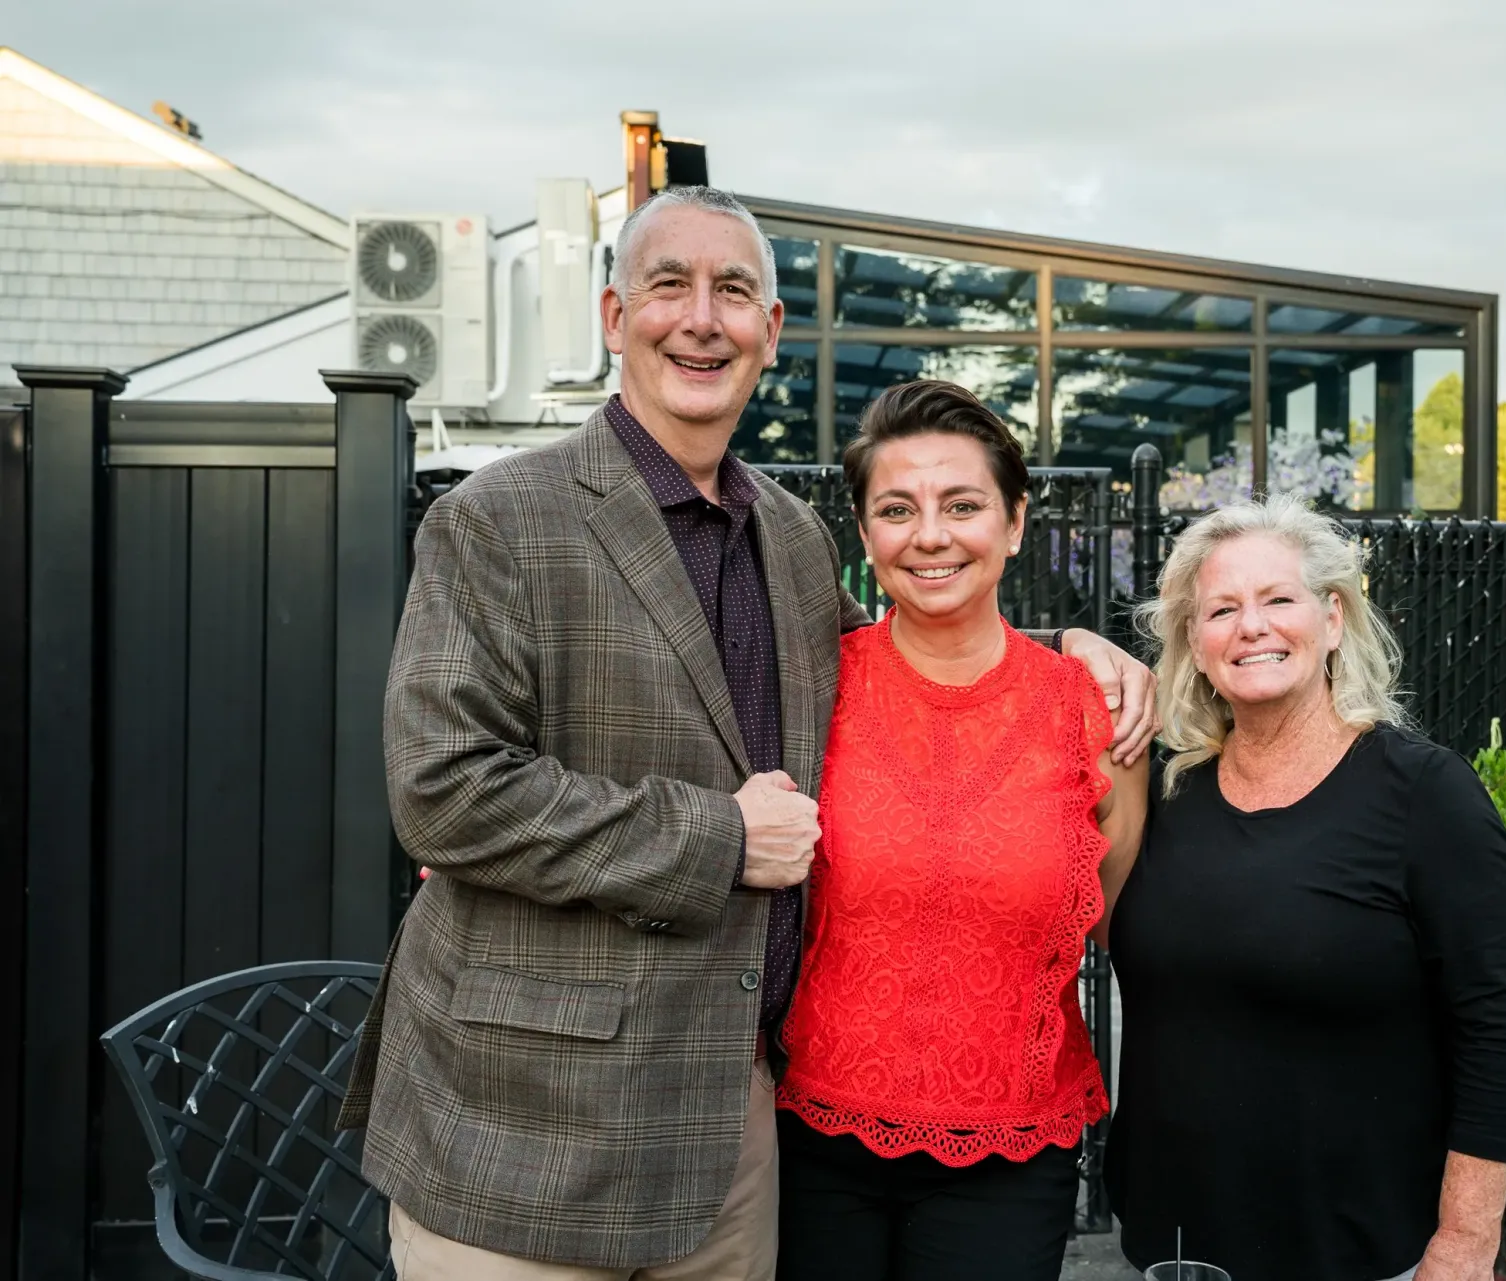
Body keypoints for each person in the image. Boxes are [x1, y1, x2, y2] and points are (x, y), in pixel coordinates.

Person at [336, 186, 1154, 1281]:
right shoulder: (498, 519)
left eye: (734, 291)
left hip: (731, 1132)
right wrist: (719, 837)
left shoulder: (792, 536)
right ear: (614, 313)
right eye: (670, 285)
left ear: (772, 331)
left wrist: (1069, 648)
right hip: (526, 1136)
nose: (702, 317)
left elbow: (924, 655)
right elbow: (442, 790)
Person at [1101, 494, 1506, 1281]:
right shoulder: (1167, 797)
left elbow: (1498, 1029)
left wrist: (1467, 1242)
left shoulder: (1424, 795)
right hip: (1177, 1248)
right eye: (1222, 609)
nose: (1251, 626)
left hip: (1361, 1250)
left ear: (1332, 618)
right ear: (1195, 644)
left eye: (1278, 599)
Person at [772, 380, 1149, 1281]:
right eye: (897, 509)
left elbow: (1119, 927)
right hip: (807, 1137)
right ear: (865, 536)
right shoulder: (807, 686)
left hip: (1010, 1158)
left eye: (964, 504)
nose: (930, 534)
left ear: (1015, 522)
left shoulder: (1092, 711)